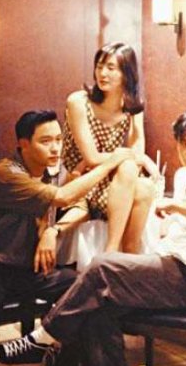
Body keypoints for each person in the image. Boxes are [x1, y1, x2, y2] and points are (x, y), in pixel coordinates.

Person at [0, 109, 186, 366]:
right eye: (185, 143)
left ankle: (41, 339)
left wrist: (177, 207)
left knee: (102, 266)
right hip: (172, 270)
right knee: (98, 302)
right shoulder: (184, 177)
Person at [0, 110, 135, 366]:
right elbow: (64, 197)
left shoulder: (57, 172)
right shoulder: (6, 173)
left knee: (88, 288)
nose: (55, 148)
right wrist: (111, 162)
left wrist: (54, 231)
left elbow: (81, 205)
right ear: (23, 145)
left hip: (29, 269)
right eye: (46, 141)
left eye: (58, 140)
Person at [63, 42, 157, 254]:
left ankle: (127, 255)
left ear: (126, 73)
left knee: (145, 187)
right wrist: (129, 158)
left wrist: (135, 159)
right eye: (99, 66)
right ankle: (112, 250)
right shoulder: (79, 101)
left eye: (111, 68)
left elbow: (138, 152)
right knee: (129, 166)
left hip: (111, 177)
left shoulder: (132, 106)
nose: (102, 73)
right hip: (83, 179)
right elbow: (91, 157)